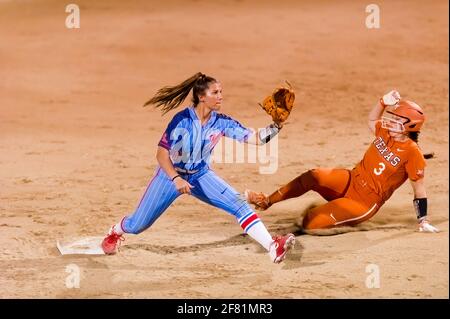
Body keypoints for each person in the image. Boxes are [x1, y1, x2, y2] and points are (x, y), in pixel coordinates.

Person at [101, 72, 295, 263]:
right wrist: (176, 179)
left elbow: (256, 140)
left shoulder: (221, 122)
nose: (220, 96)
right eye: (215, 92)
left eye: (221, 92)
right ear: (202, 97)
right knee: (139, 224)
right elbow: (161, 154)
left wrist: (276, 125)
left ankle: (272, 247)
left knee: (240, 206)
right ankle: (115, 231)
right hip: (169, 177)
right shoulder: (181, 121)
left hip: (200, 176)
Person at [245, 90, 439, 233]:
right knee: (314, 176)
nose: (391, 121)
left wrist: (423, 220)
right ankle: (266, 201)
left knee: (310, 223)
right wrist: (382, 102)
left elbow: (419, 191)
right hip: (350, 180)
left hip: (364, 203)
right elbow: (372, 121)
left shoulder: (413, 153)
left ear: (411, 126)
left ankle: (320, 219)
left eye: (397, 119)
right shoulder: (387, 132)